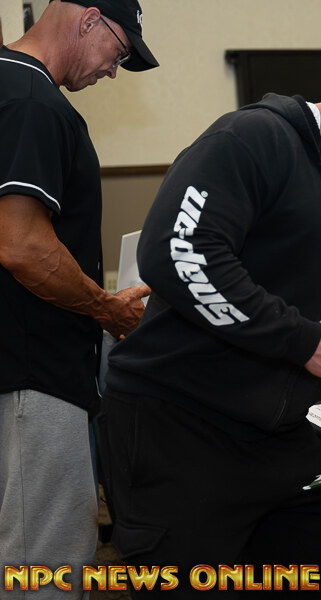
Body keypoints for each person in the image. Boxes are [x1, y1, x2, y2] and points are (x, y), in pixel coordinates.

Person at [98, 5, 321, 596]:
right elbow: (178, 254)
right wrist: (304, 341)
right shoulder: (256, 139)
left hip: (280, 440)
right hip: (178, 431)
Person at [0, 0, 156, 590]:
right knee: (43, 567)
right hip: (33, 373)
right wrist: (105, 307)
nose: (114, 70)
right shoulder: (33, 100)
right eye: (119, 51)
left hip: (17, 367)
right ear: (88, 19)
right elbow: (21, 245)